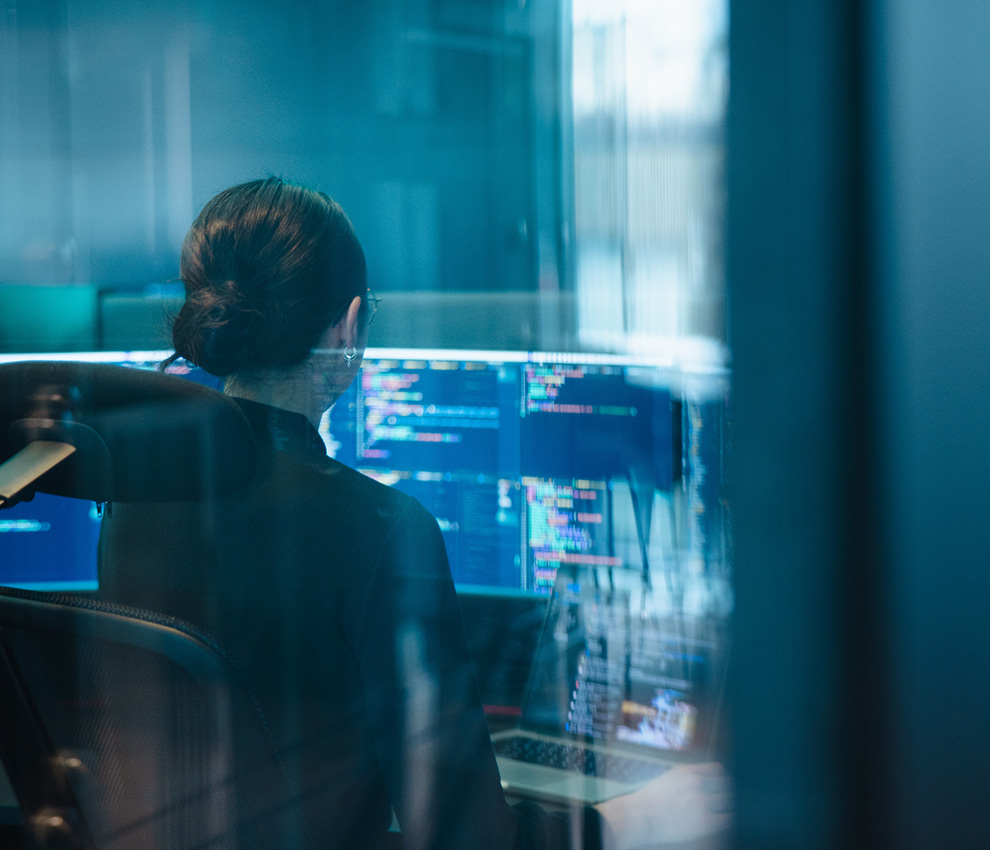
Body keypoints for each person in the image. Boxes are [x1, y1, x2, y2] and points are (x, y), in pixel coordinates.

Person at [98, 176, 730, 849]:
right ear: (347, 327)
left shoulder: (131, 505)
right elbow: (466, 838)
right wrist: (630, 825)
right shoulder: (380, 530)